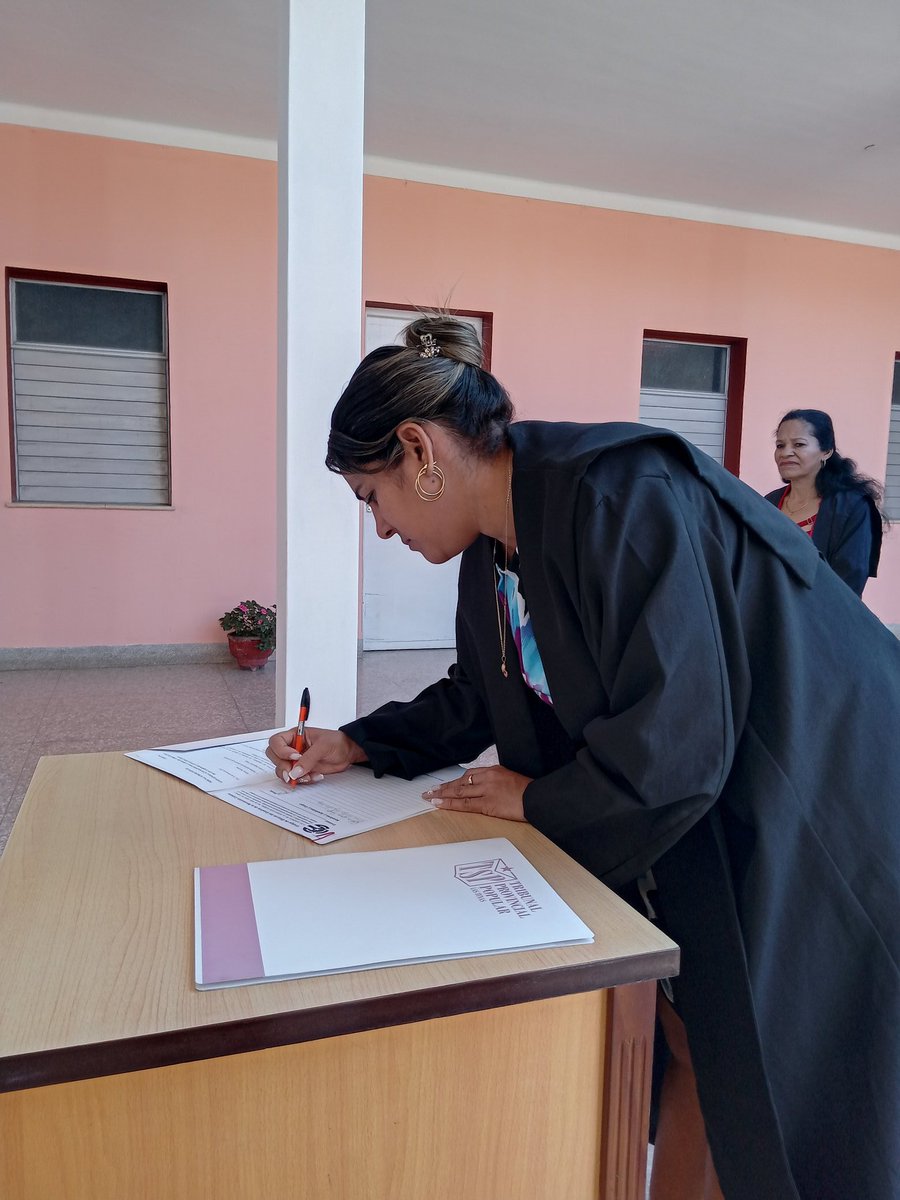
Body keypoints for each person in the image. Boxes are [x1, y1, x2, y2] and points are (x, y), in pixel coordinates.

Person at [267, 315, 900, 1200]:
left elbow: (677, 750)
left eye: (372, 498)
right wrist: (358, 741)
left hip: (818, 785)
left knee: (769, 1060)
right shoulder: (493, 546)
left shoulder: (619, 496)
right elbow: (483, 689)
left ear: (418, 449)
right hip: (715, 787)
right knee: (690, 1035)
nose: (379, 530)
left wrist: (535, 800)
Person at [765, 408, 886, 596]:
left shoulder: (853, 507)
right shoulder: (769, 503)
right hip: (768, 616)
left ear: (826, 452)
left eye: (798, 444)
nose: (786, 452)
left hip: (824, 618)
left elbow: (849, 581)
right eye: (780, 445)